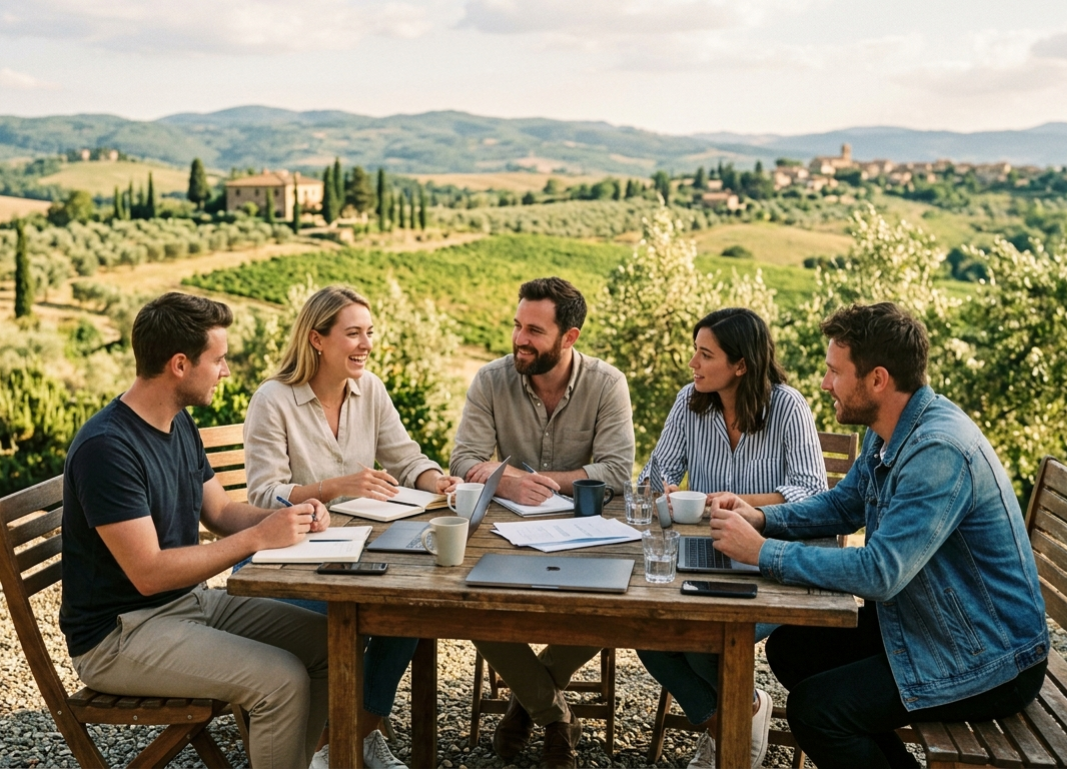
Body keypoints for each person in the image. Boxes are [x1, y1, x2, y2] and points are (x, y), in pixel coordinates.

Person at [707, 302, 1050, 769]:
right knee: (792, 649)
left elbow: (881, 573)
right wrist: (763, 519)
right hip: (930, 622)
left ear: (878, 379)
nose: (825, 383)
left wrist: (765, 552)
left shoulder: (937, 452)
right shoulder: (889, 429)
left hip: (987, 655)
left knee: (818, 711)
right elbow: (845, 505)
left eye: (834, 372)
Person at [60, 292, 330, 769]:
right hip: (121, 634)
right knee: (281, 679)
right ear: (180, 364)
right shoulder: (107, 449)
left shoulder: (178, 422)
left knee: (332, 644)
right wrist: (256, 540)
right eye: (219, 359)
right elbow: (147, 573)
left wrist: (292, 513)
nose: (226, 371)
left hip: (185, 606)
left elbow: (223, 511)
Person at [243, 285, 460, 769]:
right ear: (317, 339)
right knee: (361, 614)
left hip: (353, 549)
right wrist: (335, 487)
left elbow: (406, 458)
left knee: (410, 610)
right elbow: (262, 494)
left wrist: (437, 481)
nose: (366, 344)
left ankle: (353, 734)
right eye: (353, 334)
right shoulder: (273, 399)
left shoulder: (371, 390)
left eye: (369, 333)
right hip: (288, 560)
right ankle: (348, 740)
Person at [449, 276, 635, 769]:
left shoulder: (606, 383)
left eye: (534, 330)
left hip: (586, 536)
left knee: (617, 605)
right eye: (517, 325)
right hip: (503, 535)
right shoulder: (492, 379)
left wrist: (546, 482)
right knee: (469, 605)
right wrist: (506, 483)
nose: (519, 339)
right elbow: (463, 457)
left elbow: (618, 471)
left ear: (568, 337)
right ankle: (554, 716)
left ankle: (525, 705)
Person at [635, 307, 828, 769]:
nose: (693, 364)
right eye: (695, 352)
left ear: (740, 364)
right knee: (647, 629)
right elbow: (654, 474)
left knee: (706, 634)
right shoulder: (690, 401)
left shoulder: (788, 407)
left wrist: (742, 502)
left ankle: (731, 725)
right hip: (705, 553)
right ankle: (735, 716)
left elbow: (812, 492)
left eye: (706, 354)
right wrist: (663, 492)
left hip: (769, 562)